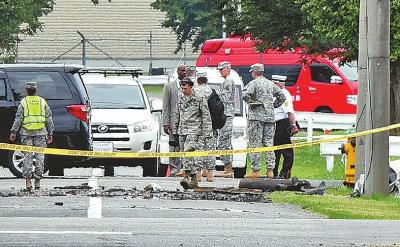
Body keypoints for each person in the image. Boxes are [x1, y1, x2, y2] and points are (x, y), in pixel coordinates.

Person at [243, 64, 286, 178]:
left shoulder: (253, 83)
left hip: (256, 118)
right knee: (269, 144)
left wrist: (252, 102)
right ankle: (270, 170)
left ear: (254, 73)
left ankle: (256, 170)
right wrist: (273, 105)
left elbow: (245, 94)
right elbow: (282, 96)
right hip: (270, 117)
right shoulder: (271, 84)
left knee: (255, 143)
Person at [9, 81, 54, 191]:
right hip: (41, 133)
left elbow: (18, 119)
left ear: (26, 90)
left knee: (27, 157)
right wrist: (50, 132)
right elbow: (49, 118)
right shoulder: (42, 101)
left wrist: (13, 132)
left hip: (26, 133)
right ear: (36, 90)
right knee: (39, 157)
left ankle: (28, 182)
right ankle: (37, 181)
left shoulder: (24, 102)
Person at [173, 77, 213, 189]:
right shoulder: (181, 97)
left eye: (185, 88)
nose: (183, 90)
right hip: (182, 129)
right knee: (184, 154)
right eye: (182, 88)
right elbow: (178, 113)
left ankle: (186, 175)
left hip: (194, 130)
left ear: (191, 87)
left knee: (188, 151)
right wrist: (175, 130)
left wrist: (208, 132)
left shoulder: (199, 98)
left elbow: (206, 115)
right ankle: (194, 177)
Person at [273, 75, 299, 179]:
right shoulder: (275, 94)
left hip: (282, 124)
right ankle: (273, 172)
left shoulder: (284, 94)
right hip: (275, 124)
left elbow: (289, 112)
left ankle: (285, 172)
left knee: (286, 149)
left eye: (274, 84)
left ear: (279, 84)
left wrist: (293, 125)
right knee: (275, 150)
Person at [162, 64, 186, 177]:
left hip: (186, 122)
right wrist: (166, 123)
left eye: (185, 71)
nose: (184, 72)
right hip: (173, 121)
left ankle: (184, 168)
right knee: (173, 146)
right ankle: (174, 168)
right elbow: (166, 106)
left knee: (185, 146)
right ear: (177, 72)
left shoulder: (189, 86)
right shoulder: (169, 87)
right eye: (182, 71)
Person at [214, 62, 235, 178]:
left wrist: (215, 96)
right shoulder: (226, 81)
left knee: (224, 141)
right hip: (225, 114)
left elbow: (224, 98)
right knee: (224, 141)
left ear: (227, 69)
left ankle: (227, 168)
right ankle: (227, 167)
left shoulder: (228, 82)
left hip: (226, 114)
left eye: (222, 69)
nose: (220, 71)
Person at [194, 72, 216, 182]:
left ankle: (198, 172)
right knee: (210, 149)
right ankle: (210, 173)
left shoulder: (195, 91)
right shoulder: (211, 91)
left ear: (198, 80)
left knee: (199, 148)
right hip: (210, 125)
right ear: (206, 80)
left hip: (197, 124)